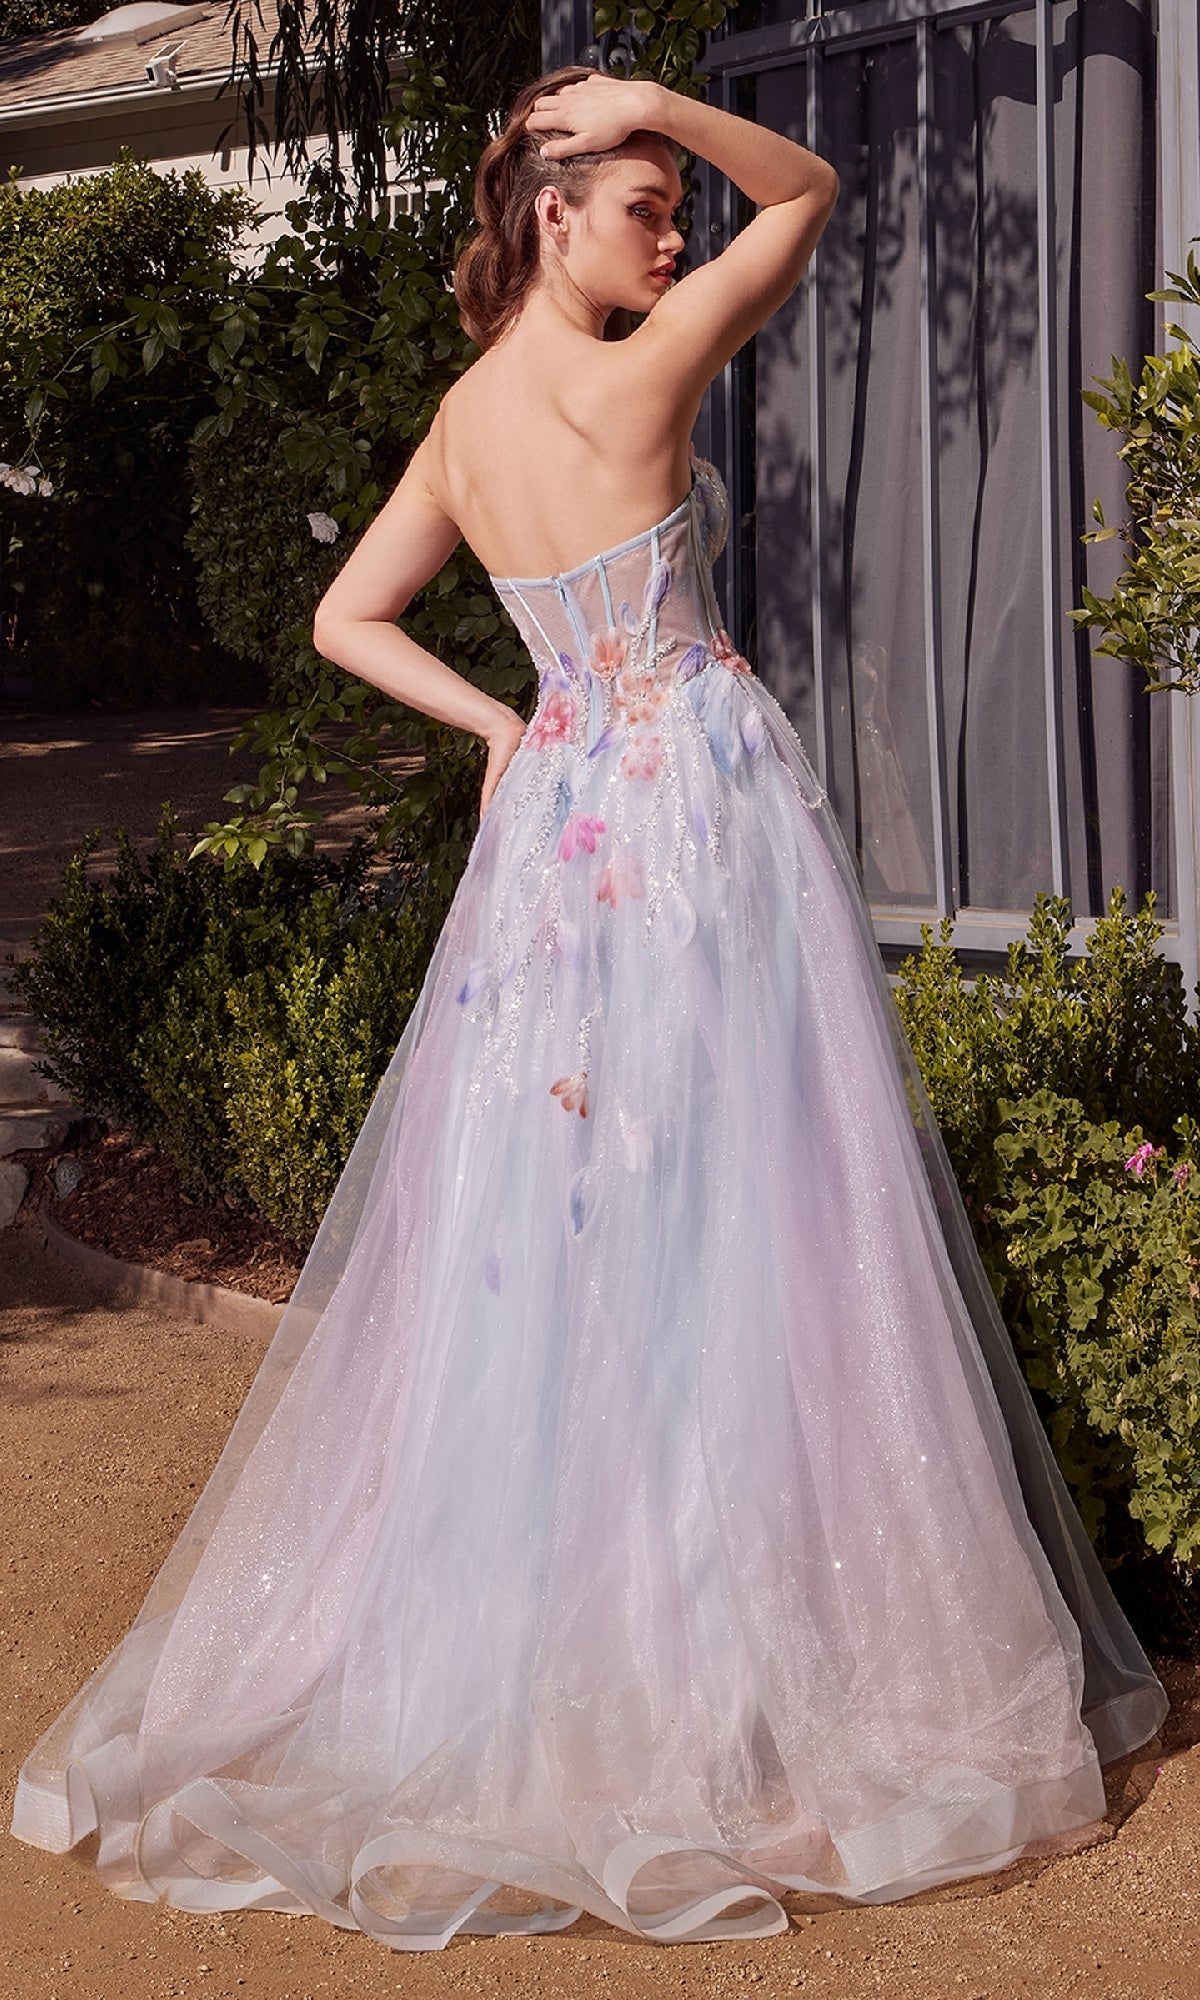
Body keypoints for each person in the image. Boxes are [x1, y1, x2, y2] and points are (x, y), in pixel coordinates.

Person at [10, 66, 1168, 1952]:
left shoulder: (467, 422)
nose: (677, 231)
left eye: (670, 210)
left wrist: (504, 725)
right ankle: (725, 1667)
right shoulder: (644, 373)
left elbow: (343, 619)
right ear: (554, 213)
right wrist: (660, 98)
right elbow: (808, 192)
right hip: (698, 814)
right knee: (748, 1199)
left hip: (562, 826)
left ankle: (615, 1634)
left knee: (578, 1228)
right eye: (643, 205)